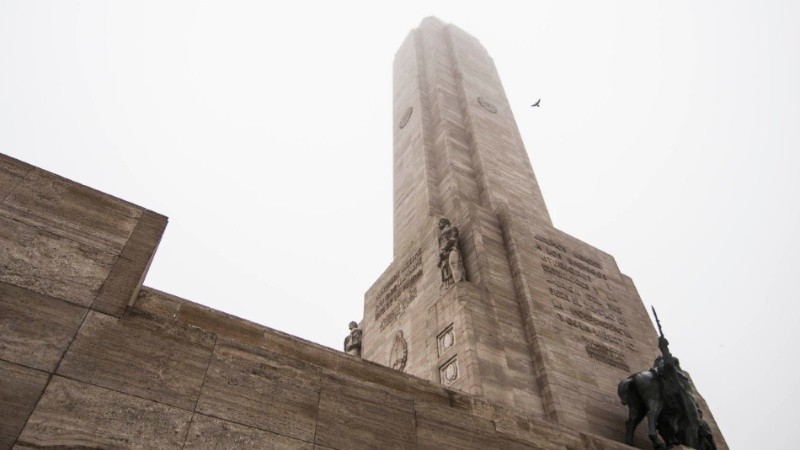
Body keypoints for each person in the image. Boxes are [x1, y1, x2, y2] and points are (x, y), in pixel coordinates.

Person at [437, 218, 465, 287]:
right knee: (447, 272)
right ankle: (452, 285)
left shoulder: (453, 229)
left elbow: (453, 239)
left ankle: (459, 282)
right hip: (445, 255)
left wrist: (445, 249)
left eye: (440, 222)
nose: (438, 224)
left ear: (445, 222)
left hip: (452, 249)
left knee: (453, 263)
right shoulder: (440, 237)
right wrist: (440, 259)